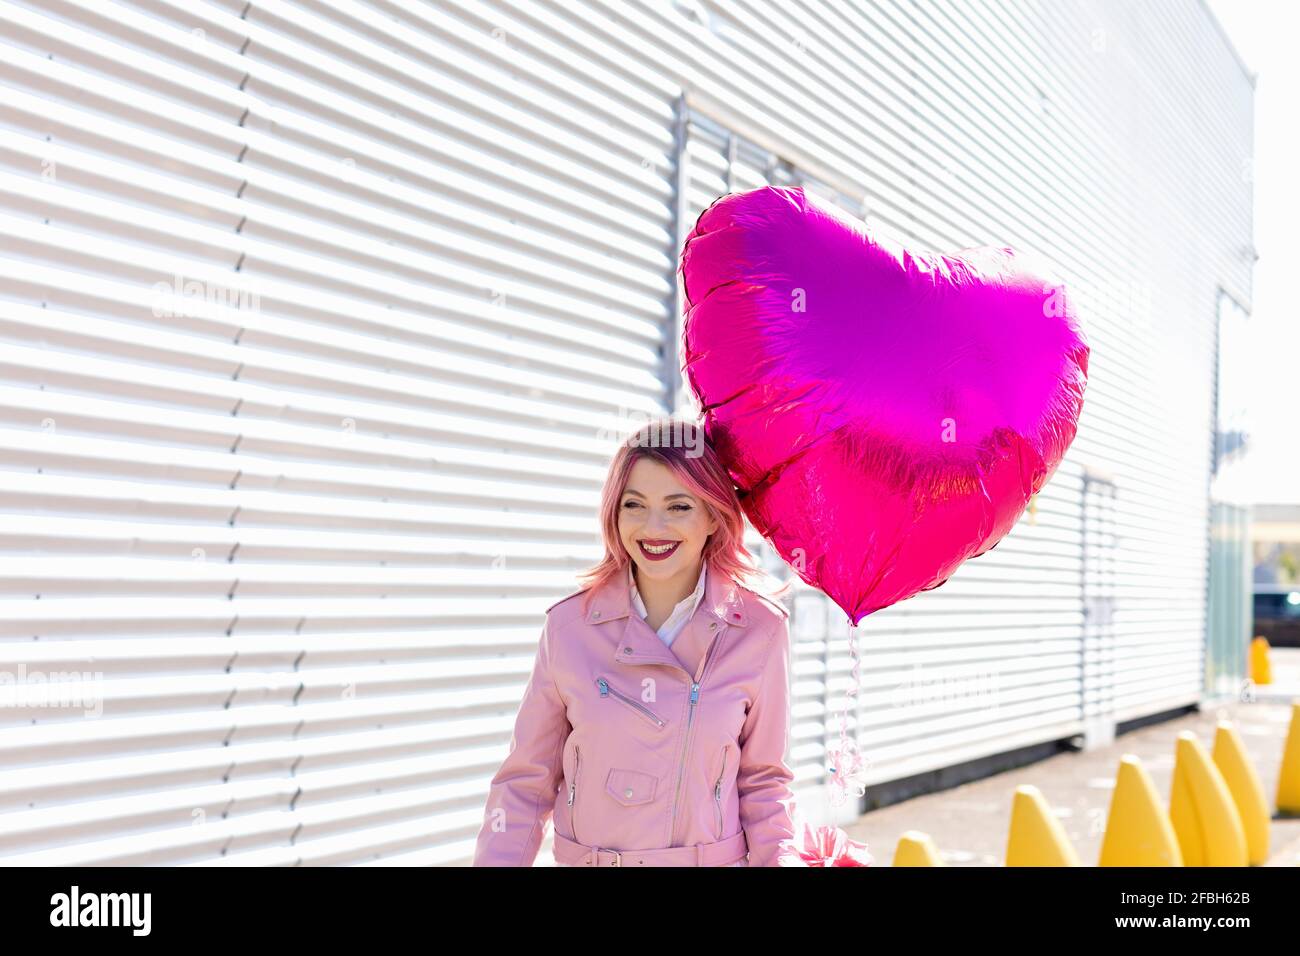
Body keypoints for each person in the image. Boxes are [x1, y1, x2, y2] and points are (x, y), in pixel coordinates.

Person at [472, 418, 806, 866]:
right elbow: (525, 784)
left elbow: (765, 783)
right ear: (615, 513)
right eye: (635, 504)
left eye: (678, 506)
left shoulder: (760, 629)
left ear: (712, 515)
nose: (654, 527)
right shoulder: (570, 628)